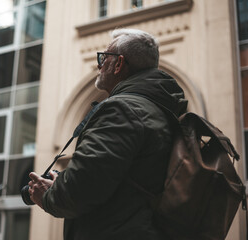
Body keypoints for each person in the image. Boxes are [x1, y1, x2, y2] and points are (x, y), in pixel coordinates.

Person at [28, 28, 188, 240]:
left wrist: (47, 196)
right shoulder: (158, 110)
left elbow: (80, 192)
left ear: (119, 64)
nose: (99, 64)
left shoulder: (122, 110)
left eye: (104, 57)